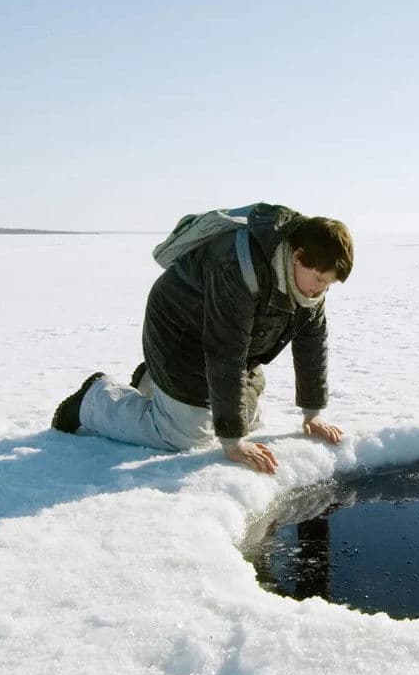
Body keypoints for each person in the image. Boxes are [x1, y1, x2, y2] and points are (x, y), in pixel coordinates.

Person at [51, 202, 353, 474]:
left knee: (249, 417)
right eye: (319, 279)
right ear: (298, 256)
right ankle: (94, 400)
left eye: (329, 284)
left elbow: (312, 345)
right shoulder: (239, 267)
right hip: (179, 333)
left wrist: (312, 414)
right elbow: (226, 351)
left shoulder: (308, 285)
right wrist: (233, 442)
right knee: (187, 433)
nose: (321, 290)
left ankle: (154, 381)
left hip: (230, 340)